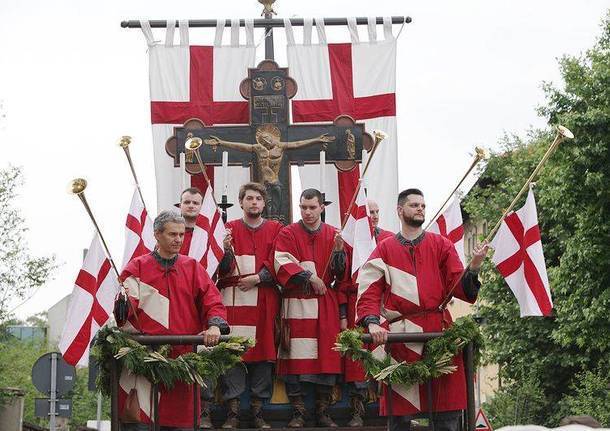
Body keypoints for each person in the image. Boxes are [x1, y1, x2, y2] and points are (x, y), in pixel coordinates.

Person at [356, 188, 489, 431]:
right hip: (402, 337)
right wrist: (372, 322)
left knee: (446, 410)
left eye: (423, 206)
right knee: (401, 416)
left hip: (438, 333)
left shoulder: (441, 245)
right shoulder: (384, 249)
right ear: (400, 210)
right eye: (414, 205)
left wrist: (475, 268)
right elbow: (369, 290)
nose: (420, 209)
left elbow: (458, 286)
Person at [116, 210, 229, 431]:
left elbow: (213, 301)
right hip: (145, 360)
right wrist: (122, 304)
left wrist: (214, 325)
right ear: (157, 235)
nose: (178, 239)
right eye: (172, 234)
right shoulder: (137, 267)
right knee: (141, 423)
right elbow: (125, 313)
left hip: (183, 361)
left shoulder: (193, 267)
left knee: (181, 424)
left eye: (181, 234)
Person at [273, 188, 347, 428]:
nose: (307, 212)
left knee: (326, 355)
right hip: (296, 300)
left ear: (322, 207)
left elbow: (341, 274)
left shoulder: (334, 233)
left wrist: (338, 252)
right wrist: (308, 276)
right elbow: (281, 262)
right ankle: (299, 411)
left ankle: (323, 410)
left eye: (312, 207)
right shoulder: (288, 233)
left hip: (325, 302)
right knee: (295, 356)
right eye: (303, 207)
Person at [216, 182, 283, 429]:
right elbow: (219, 268)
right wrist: (224, 251)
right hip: (234, 297)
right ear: (241, 202)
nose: (254, 202)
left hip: (264, 297)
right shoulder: (228, 229)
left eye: (258, 199)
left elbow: (280, 258)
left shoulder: (276, 229)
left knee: (264, 352)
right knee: (233, 350)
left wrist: (259, 278)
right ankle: (232, 410)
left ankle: (258, 410)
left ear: (264, 204)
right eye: (249, 198)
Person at [178, 187, 204, 255]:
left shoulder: (208, 234)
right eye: (187, 202)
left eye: (195, 203)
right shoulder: (169, 233)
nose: (191, 206)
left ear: (202, 207)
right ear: (180, 205)